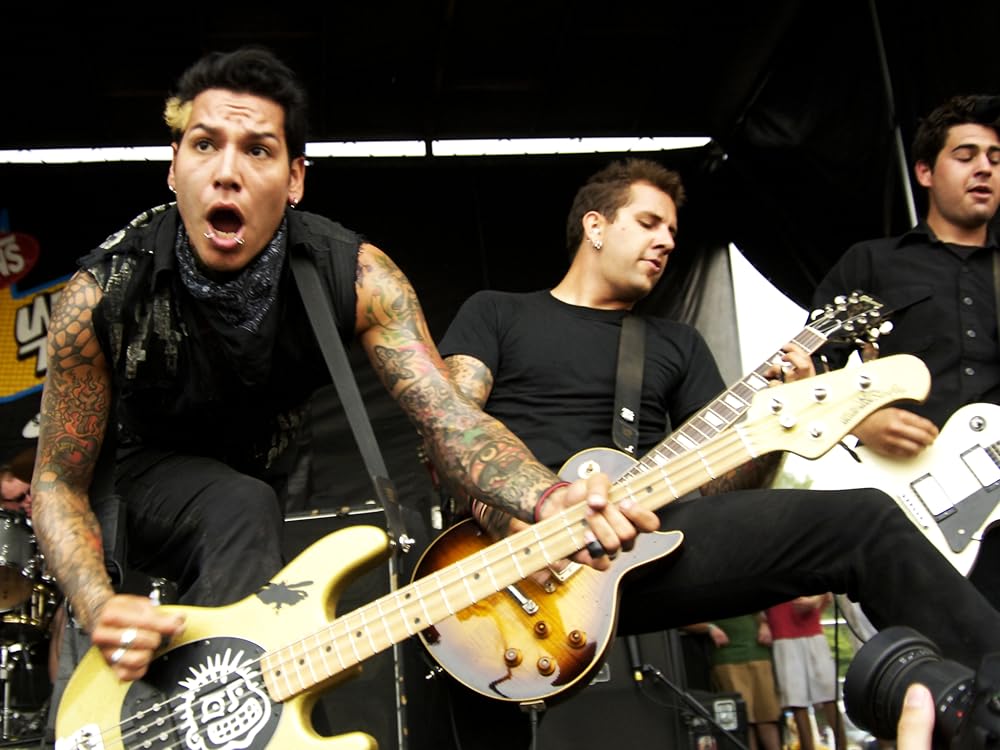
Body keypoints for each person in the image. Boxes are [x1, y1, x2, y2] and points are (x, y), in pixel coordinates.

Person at [31, 45, 655, 699]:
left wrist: (548, 498)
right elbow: (56, 482)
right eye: (204, 145)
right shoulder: (100, 294)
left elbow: (449, 420)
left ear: (295, 179)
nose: (226, 172)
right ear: (173, 167)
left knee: (251, 522)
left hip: (259, 485)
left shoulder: (356, 276)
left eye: (258, 150)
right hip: (133, 487)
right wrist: (96, 603)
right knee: (232, 511)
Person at [433, 157, 1000, 746]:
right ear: (595, 226)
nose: (665, 242)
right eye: (649, 223)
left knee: (865, 520)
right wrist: (516, 517)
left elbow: (726, 487)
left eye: (672, 233)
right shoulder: (496, 311)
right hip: (504, 553)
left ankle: (990, 705)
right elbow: (448, 430)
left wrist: (780, 419)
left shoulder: (677, 343)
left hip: (641, 543)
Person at [811, 94, 1000, 609]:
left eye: (995, 158)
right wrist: (860, 421)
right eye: (965, 156)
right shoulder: (873, 263)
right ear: (925, 172)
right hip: (914, 505)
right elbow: (807, 373)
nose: (984, 168)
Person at [688, 615, 783, 750]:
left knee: (767, 717)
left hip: (759, 655)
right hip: (728, 659)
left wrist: (765, 624)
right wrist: (710, 628)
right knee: (743, 720)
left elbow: (764, 615)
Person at [766, 595, 847, 750]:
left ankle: (841, 746)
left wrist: (815, 601)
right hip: (782, 632)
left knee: (828, 695)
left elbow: (827, 595)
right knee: (796, 701)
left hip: (812, 630)